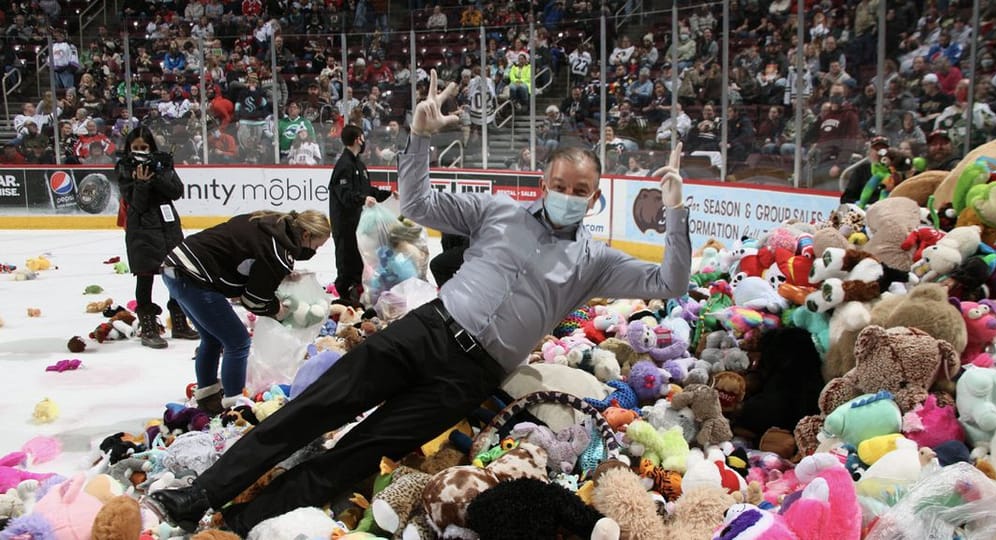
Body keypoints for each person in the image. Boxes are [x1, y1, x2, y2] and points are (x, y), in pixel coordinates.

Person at [146, 70, 691, 536]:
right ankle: (200, 495)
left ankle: (240, 524)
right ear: (542, 182)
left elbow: (669, 281)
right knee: (311, 409)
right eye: (561, 185)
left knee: (359, 451)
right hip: (426, 331)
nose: (568, 196)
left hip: (470, 376)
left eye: (580, 191)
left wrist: (675, 213)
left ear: (594, 198)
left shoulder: (595, 261)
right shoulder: (498, 211)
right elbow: (419, 203)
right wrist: (420, 138)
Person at [160, 210, 331, 415]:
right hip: (194, 276)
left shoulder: (271, 223)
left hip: (177, 267)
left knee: (212, 339)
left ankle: (207, 396)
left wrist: (279, 275)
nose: (315, 251)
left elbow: (249, 258)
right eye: (316, 246)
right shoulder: (278, 251)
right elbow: (254, 300)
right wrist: (276, 309)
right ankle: (236, 407)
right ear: (306, 235)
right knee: (237, 341)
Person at [116, 126, 198, 349]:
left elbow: (176, 191)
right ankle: (149, 328)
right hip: (142, 230)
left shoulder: (162, 163)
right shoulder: (124, 167)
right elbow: (137, 204)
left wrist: (157, 175)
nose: (140, 151)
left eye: (144, 147)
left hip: (168, 227)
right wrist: (142, 183)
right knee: (145, 278)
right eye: (136, 147)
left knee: (176, 274)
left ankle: (179, 323)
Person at [328, 124, 392, 307]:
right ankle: (345, 292)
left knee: (359, 258)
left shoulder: (359, 165)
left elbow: (367, 190)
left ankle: (357, 290)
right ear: (358, 139)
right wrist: (363, 199)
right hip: (345, 223)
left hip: (359, 222)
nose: (364, 141)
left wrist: (388, 194)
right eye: (363, 137)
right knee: (346, 258)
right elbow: (345, 194)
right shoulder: (344, 165)